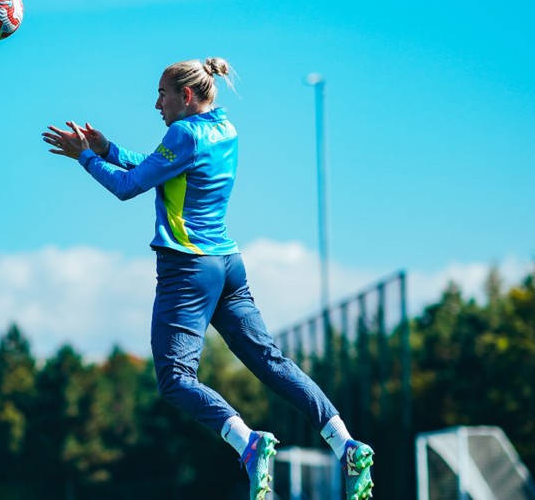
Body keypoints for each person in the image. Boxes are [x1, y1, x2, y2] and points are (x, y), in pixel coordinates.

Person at [41, 57, 374, 500]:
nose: (156, 102)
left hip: (187, 268)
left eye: (162, 92)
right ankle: (346, 444)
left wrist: (82, 156)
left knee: (176, 378)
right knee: (271, 363)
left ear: (188, 95)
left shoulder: (182, 134)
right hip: (228, 265)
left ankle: (248, 443)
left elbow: (129, 186)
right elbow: (158, 165)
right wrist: (106, 149)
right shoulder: (225, 131)